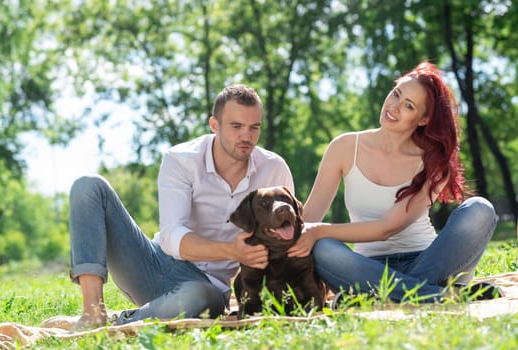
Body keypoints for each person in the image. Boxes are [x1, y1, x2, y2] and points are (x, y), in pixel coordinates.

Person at [69, 84, 294, 329]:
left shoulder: (274, 169)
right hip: (152, 264)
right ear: (214, 125)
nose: (246, 137)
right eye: (236, 126)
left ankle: (123, 322)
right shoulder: (181, 159)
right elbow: (171, 236)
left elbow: (291, 233)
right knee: (88, 186)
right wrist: (232, 251)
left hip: (206, 288)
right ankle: (93, 312)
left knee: (202, 298)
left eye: (254, 127)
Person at [287, 61, 500, 304]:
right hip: (365, 267)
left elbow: (387, 227)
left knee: (480, 209)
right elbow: (309, 219)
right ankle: (439, 296)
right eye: (396, 94)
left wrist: (321, 230)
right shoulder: (344, 148)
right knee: (322, 247)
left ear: (423, 119)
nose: (394, 107)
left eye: (408, 106)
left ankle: (377, 298)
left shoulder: (433, 162)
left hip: (430, 261)